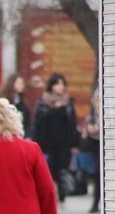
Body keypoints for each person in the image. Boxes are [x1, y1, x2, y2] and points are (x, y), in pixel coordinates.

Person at [32, 72, 79, 203]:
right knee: (49, 171)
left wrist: (75, 143)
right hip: (47, 143)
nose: (60, 87)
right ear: (51, 86)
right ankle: (51, 197)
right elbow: (37, 124)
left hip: (64, 143)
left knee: (62, 170)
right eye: (57, 84)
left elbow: (73, 123)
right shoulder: (43, 102)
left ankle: (62, 197)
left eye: (62, 84)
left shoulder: (68, 102)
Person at [82, 89, 102, 213]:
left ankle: (98, 201)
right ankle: (96, 201)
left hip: (103, 142)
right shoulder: (92, 115)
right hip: (94, 143)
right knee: (96, 173)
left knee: (100, 173)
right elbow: (88, 126)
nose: (96, 103)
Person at [0, 73, 32, 138]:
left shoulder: (22, 102)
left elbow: (27, 122)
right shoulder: (3, 101)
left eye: (22, 83)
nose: (22, 86)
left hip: (20, 135)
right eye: (19, 83)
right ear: (12, 84)